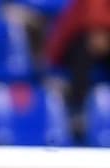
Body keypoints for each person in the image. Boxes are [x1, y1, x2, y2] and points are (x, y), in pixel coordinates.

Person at [46, 0, 110, 143]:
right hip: (79, 36)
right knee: (82, 53)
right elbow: (93, 14)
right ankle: (77, 113)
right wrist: (99, 29)